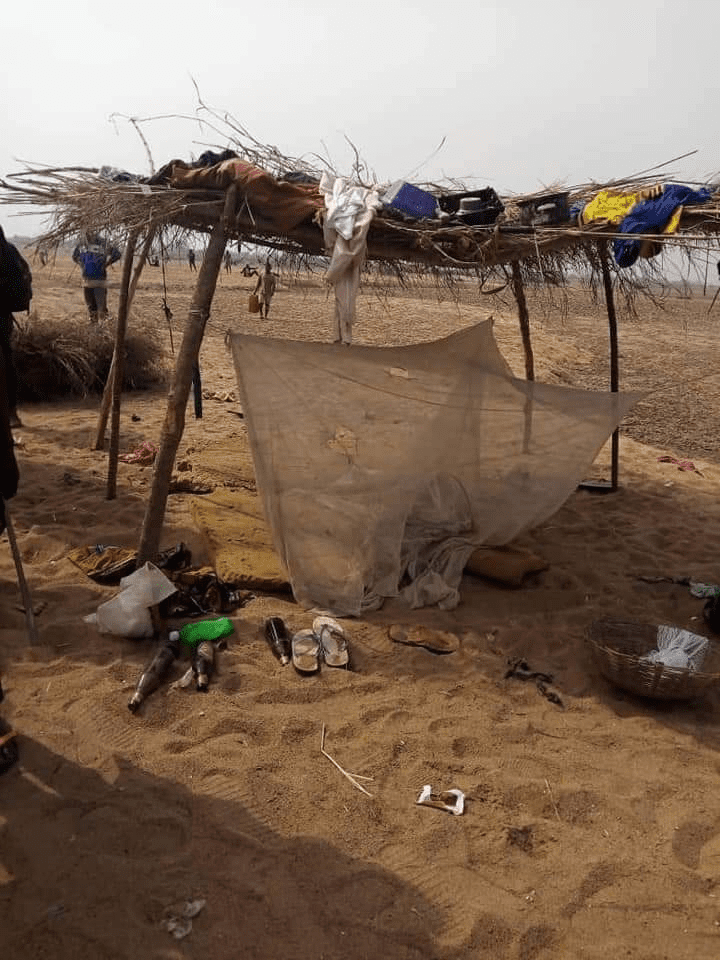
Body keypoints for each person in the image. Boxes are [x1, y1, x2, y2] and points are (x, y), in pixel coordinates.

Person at [0, 225, 32, 429]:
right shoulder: (8, 249)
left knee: (4, 362)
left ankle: (11, 411)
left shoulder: (6, 252)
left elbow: (17, 282)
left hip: (0, 315)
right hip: (3, 316)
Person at [72, 232, 121, 324]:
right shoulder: (82, 244)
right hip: (87, 280)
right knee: (91, 308)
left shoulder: (103, 243)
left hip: (99, 280)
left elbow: (117, 254)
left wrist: (106, 264)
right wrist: (82, 264)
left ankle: (104, 329)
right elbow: (74, 256)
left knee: (101, 307)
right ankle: (93, 327)